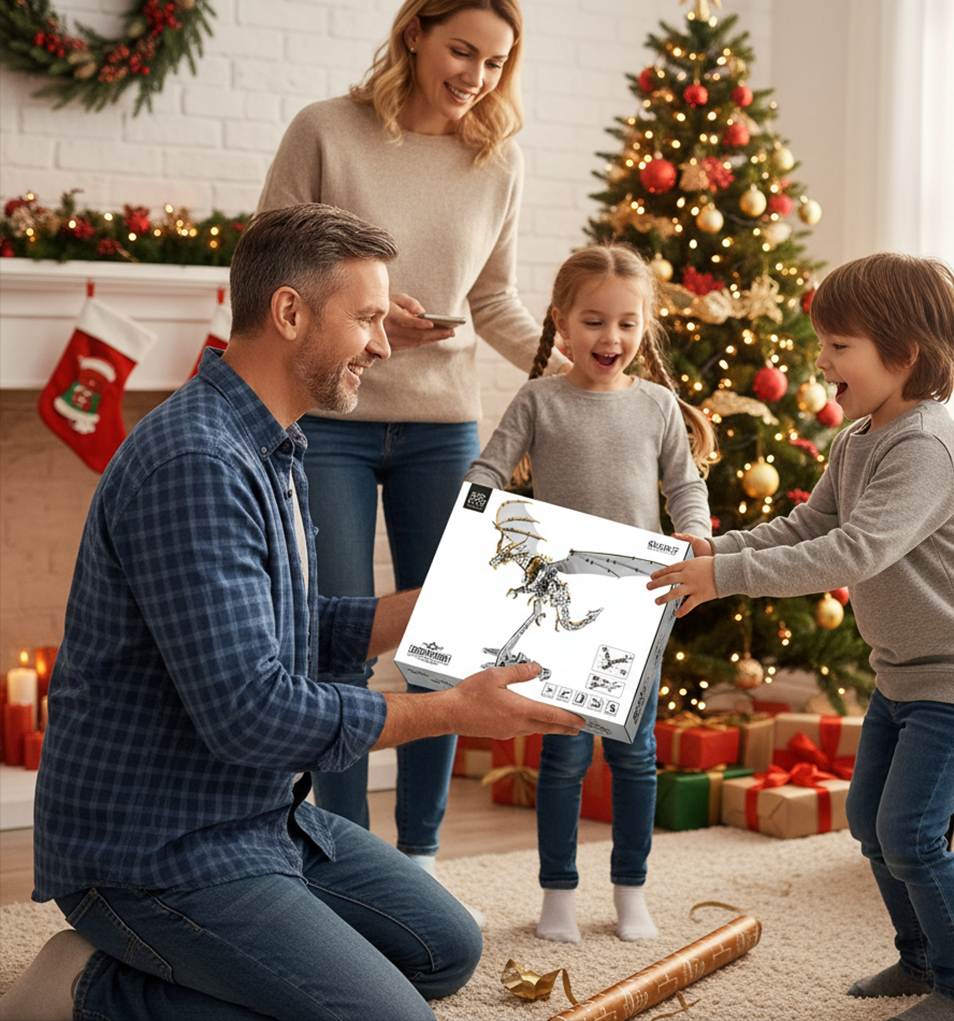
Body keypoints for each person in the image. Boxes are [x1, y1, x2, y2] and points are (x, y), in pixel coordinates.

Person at [0, 203, 585, 1021]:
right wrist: (453, 711)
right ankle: (87, 987)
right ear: (289, 312)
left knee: (445, 949)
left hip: (257, 817)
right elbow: (250, 713)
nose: (382, 345)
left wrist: (414, 612)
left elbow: (288, 630)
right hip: (158, 849)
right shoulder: (198, 464)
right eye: (370, 318)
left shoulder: (268, 443)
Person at [254, 0, 566, 899]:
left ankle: (418, 859)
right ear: (415, 34)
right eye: (461, 49)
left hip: (443, 426)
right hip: (337, 421)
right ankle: (338, 853)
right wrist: (373, 319)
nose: (474, 75)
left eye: (495, 61)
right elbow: (270, 261)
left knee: (450, 640)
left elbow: (496, 301)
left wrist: (575, 369)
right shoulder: (326, 132)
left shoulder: (496, 159)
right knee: (339, 644)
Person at [648, 253, 954, 1021]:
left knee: (912, 833)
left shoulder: (925, 446)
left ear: (905, 353)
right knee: (869, 824)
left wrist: (725, 581)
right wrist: (719, 549)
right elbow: (811, 524)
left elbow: (854, 551)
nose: (821, 359)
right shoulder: (857, 439)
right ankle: (919, 958)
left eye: (839, 344)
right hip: (904, 673)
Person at [464, 243, 716, 944]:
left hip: (639, 609)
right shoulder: (540, 399)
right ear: (563, 323)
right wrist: (474, 518)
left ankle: (630, 891)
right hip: (560, 610)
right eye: (595, 321)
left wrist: (695, 533)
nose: (612, 339)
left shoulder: (661, 407)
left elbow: (685, 486)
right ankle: (558, 897)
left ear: (645, 328)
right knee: (564, 756)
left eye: (628, 324)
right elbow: (488, 469)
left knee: (634, 756)